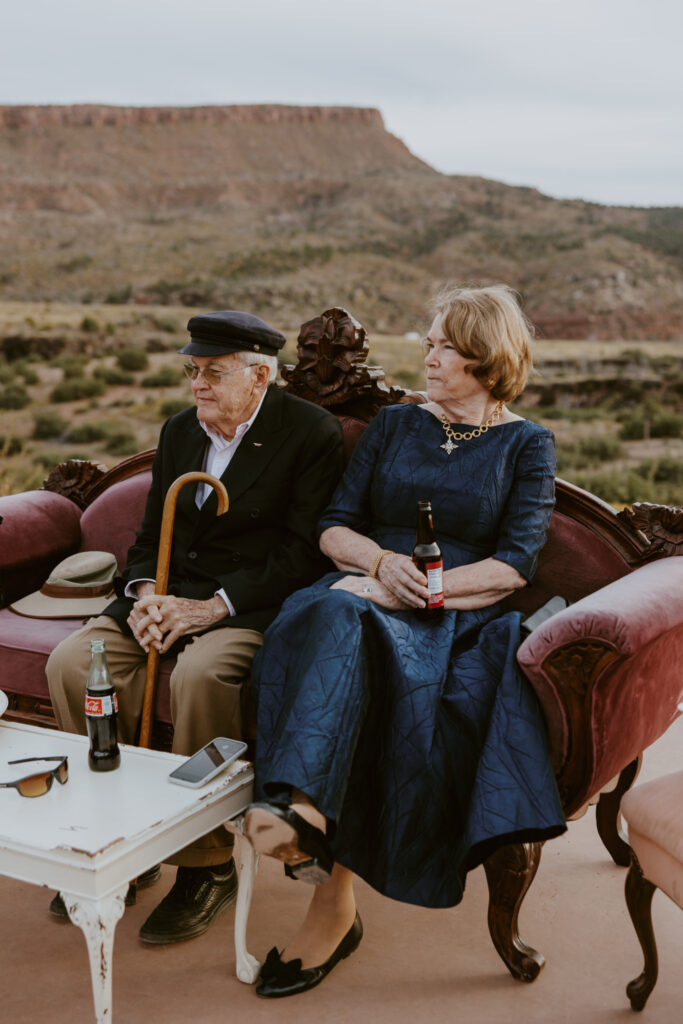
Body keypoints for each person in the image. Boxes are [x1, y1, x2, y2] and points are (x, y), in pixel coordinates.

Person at [243, 284, 567, 998]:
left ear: (487, 358)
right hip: (364, 585)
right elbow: (331, 525)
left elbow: (515, 561)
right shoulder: (393, 426)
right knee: (334, 614)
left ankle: (314, 858)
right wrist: (380, 566)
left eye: (445, 345)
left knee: (360, 634)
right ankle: (304, 818)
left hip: (452, 614)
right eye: (428, 342)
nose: (428, 356)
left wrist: (428, 588)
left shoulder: (525, 444)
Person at [46, 310, 344, 944]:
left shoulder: (310, 433)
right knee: (72, 663)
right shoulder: (181, 432)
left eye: (213, 372)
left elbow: (303, 553)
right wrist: (149, 596)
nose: (197, 385)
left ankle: (206, 863)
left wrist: (210, 609)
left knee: (205, 675)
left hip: (248, 606)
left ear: (260, 376)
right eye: (193, 369)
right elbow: (151, 535)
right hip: (165, 595)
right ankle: (120, 838)